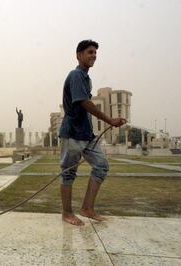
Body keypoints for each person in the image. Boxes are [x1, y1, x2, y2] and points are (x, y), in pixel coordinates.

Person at [59, 40, 126, 226]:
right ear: (78, 55)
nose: (93, 55)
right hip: (72, 133)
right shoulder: (75, 75)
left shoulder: (86, 78)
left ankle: (87, 209)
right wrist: (110, 120)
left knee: (101, 166)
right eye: (89, 52)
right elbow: (84, 103)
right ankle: (66, 213)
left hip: (87, 135)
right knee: (68, 173)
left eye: (95, 53)